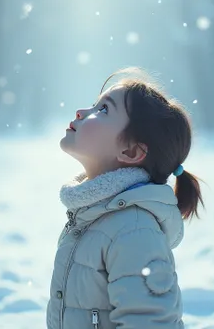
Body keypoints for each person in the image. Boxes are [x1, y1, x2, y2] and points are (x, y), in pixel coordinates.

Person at [47, 67, 205, 329]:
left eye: (104, 110)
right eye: (94, 104)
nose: (82, 112)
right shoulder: (94, 213)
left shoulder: (133, 230)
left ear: (131, 151)